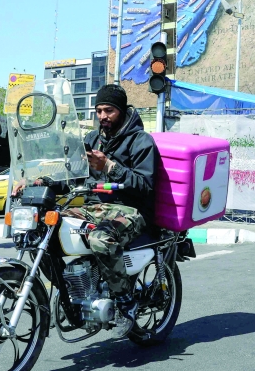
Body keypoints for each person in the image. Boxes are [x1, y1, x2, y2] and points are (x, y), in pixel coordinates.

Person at [16, 84, 157, 305]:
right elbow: (73, 175)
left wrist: (110, 166)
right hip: (93, 208)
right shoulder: (92, 139)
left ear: (121, 110)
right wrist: (41, 181)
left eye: (109, 110)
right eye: (99, 111)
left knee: (100, 239)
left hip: (130, 210)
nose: (103, 116)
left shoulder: (141, 140)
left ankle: (124, 300)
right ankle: (70, 291)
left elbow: (145, 186)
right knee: (42, 228)